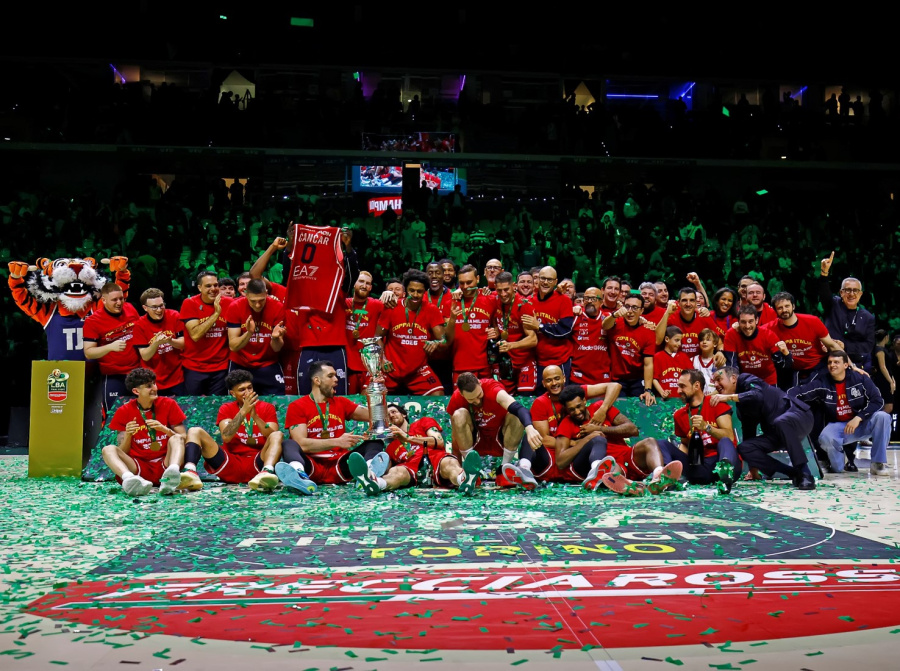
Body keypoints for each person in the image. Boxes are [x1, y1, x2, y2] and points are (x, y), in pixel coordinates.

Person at [504, 368, 621, 489]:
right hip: (549, 461)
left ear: (564, 378)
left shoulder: (574, 394)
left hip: (574, 462)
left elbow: (614, 386)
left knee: (597, 438)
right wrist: (573, 443)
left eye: (557, 378)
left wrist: (603, 409)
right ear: (543, 383)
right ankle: (524, 471)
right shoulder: (540, 403)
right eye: (549, 380)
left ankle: (596, 473)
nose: (554, 383)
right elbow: (544, 439)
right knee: (531, 434)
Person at [279, 361, 386, 490]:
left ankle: (369, 475)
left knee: (375, 442)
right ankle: (299, 476)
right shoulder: (297, 406)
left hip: (340, 465)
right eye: (330, 376)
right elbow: (301, 444)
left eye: (336, 376)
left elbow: (375, 416)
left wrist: (377, 393)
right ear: (317, 380)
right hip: (311, 465)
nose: (336, 379)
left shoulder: (341, 402)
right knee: (289, 444)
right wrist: (337, 442)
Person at [555, 385, 682, 495]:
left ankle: (658, 477)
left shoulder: (600, 408)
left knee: (649, 441)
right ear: (566, 410)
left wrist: (599, 428)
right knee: (610, 469)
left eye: (578, 406)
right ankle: (631, 486)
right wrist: (589, 437)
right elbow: (560, 461)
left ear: (584, 400)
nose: (577, 412)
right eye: (571, 410)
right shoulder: (566, 424)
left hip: (627, 456)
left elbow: (632, 429)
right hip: (609, 463)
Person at [711, 367, 816, 490]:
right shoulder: (742, 406)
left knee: (781, 422)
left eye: (719, 379)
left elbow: (757, 395)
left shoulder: (746, 379)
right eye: (714, 382)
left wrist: (729, 397)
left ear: (733, 378)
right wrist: (753, 469)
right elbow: (749, 433)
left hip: (800, 417)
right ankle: (793, 473)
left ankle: (805, 473)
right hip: (777, 432)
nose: (716, 385)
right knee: (745, 447)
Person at [790, 350, 892, 476]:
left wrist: (859, 417)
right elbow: (796, 392)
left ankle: (878, 463)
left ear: (845, 365)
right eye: (830, 362)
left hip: (862, 423)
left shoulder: (860, 378)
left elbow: (878, 401)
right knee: (826, 440)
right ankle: (838, 463)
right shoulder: (822, 383)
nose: (832, 365)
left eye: (836, 362)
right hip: (839, 427)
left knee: (883, 417)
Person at [182, 370, 283, 492]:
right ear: (233, 394)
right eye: (242, 390)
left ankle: (267, 472)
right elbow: (226, 437)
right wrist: (243, 412)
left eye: (250, 388)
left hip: (257, 462)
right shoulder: (226, 408)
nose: (248, 392)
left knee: (277, 435)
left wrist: (255, 416)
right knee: (194, 431)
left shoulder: (267, 407)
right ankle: (190, 472)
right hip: (230, 463)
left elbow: (272, 436)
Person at [354, 402, 480, 496]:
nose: (391, 416)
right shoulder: (391, 446)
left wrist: (408, 438)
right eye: (387, 416)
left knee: (449, 463)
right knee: (397, 472)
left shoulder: (423, 422)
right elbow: (386, 466)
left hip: (434, 458)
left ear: (403, 414)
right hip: (411, 469)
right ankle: (376, 484)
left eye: (393, 412)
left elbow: (439, 442)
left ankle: (463, 479)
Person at [647, 369, 740, 493]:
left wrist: (706, 427)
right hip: (700, 467)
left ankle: (725, 474)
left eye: (682, 386)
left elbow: (729, 436)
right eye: (678, 387)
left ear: (697, 386)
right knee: (662, 443)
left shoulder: (716, 404)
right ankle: (668, 478)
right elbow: (685, 444)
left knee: (724, 441)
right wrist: (679, 463)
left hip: (719, 460)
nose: (678, 391)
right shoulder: (679, 415)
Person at [102, 368, 187, 496]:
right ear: (136, 391)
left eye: (154, 383)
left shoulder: (169, 404)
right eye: (148, 386)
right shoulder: (124, 411)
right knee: (108, 449)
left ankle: (172, 474)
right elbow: (123, 451)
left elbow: (183, 439)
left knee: (177, 438)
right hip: (139, 466)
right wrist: (128, 435)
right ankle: (130, 480)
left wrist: (165, 430)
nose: (155, 388)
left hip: (165, 462)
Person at [447, 372, 543, 469]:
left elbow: (519, 409)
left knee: (516, 415)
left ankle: (505, 468)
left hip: (501, 438)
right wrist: (457, 466)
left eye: (479, 395)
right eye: (471, 399)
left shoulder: (493, 389)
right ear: (461, 394)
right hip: (474, 440)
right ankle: (471, 470)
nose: (477, 401)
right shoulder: (456, 398)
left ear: (480, 383)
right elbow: (455, 435)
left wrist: (529, 428)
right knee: (459, 415)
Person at [375, 269, 445, 395]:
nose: (415, 295)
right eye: (412, 290)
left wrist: (435, 343)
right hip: (390, 367)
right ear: (405, 290)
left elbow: (443, 339)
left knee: (438, 395)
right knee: (368, 393)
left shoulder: (431, 310)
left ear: (425, 291)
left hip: (418, 370)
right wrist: (383, 360)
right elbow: (377, 336)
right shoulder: (392, 307)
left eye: (419, 291)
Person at [83, 282, 142, 413]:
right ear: (103, 300)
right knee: (115, 416)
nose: (119, 303)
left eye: (121, 298)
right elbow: (88, 352)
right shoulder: (93, 321)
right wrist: (110, 347)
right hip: (113, 375)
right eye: (114, 300)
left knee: (143, 414)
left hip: (137, 371)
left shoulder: (130, 308)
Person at [226, 278, 287, 395]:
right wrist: (249, 333)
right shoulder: (235, 307)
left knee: (277, 405)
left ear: (266, 294)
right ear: (246, 295)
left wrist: (275, 338)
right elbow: (233, 346)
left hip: (268, 363)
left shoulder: (277, 307)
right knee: (237, 406)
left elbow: (276, 348)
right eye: (253, 301)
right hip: (241, 363)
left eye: (261, 300)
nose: (258, 305)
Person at [768, 291, 840, 389]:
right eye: (780, 308)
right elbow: (753, 331)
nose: (784, 310)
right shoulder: (770, 328)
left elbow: (833, 346)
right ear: (775, 310)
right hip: (792, 371)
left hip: (817, 366)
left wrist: (851, 365)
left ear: (793, 306)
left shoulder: (813, 321)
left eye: (787, 306)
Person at [818, 252, 876, 372]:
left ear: (860, 294)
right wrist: (824, 274)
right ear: (841, 293)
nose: (851, 294)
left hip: (853, 364)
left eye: (855, 291)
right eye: (848, 290)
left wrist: (845, 345)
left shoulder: (868, 317)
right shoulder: (833, 304)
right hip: (827, 361)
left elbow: (868, 345)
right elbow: (824, 294)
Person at [179, 271, 233, 396]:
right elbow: (196, 335)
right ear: (199, 288)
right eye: (208, 286)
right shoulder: (190, 303)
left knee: (217, 407)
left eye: (216, 285)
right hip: (194, 367)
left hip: (221, 367)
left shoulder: (229, 303)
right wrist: (216, 314)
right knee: (193, 407)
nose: (213, 289)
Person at [523, 266, 575, 390]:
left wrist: (539, 326)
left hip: (559, 360)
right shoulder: (529, 301)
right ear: (537, 279)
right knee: (541, 398)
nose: (546, 282)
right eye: (543, 278)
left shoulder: (564, 301)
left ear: (556, 282)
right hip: (538, 361)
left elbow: (565, 331)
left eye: (550, 280)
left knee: (561, 399)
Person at [445, 264, 499, 381]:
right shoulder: (450, 302)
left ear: (478, 279)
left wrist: (496, 332)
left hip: (484, 366)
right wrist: (453, 318)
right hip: (460, 366)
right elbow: (446, 338)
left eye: (469, 282)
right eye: (462, 283)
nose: (465, 287)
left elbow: (497, 327)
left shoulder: (489, 299)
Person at [488, 271, 537, 393]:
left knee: (525, 398)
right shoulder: (494, 300)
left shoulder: (524, 305)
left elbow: (533, 339)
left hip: (524, 362)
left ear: (514, 286)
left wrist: (511, 345)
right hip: (505, 362)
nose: (503, 294)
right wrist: (495, 331)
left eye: (506, 290)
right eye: (499, 290)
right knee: (505, 400)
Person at [601, 293, 656, 404]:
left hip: (637, 379)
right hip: (617, 379)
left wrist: (648, 390)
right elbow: (604, 325)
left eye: (635, 307)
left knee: (641, 407)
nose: (630, 311)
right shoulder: (616, 323)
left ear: (641, 311)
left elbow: (648, 364)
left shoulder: (648, 331)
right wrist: (614, 315)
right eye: (627, 306)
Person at [133, 288, 185, 396]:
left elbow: (184, 344)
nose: (159, 310)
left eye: (161, 305)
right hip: (152, 381)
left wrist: (170, 341)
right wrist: (156, 343)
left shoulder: (174, 316)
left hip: (177, 377)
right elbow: (145, 356)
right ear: (145, 308)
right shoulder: (139, 325)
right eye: (154, 307)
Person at [723, 305, 789, 385]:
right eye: (743, 322)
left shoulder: (768, 335)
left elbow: (782, 365)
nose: (747, 326)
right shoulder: (731, 334)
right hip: (744, 380)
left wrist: (787, 354)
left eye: (750, 321)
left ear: (756, 320)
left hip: (768, 380)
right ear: (738, 322)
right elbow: (732, 365)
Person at [344, 271, 385, 394]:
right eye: (361, 281)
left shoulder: (377, 305)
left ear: (371, 288)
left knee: (368, 402)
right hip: (347, 363)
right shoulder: (344, 303)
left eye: (368, 283)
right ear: (354, 284)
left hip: (368, 364)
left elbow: (397, 305)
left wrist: (389, 293)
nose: (364, 285)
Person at [571, 286, 612, 385]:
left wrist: (642, 320)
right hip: (578, 378)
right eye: (586, 298)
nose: (589, 301)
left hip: (602, 378)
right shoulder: (575, 315)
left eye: (593, 299)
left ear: (601, 302)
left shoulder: (608, 318)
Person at [653, 326, 693, 400]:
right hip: (664, 400)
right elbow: (654, 379)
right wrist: (662, 392)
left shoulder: (684, 357)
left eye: (680, 341)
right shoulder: (658, 357)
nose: (679, 344)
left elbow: (692, 378)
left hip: (682, 400)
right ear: (667, 339)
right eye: (677, 340)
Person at [872, 329, 895, 417]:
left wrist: (892, 379)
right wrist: (890, 381)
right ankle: (875, 422)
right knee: (888, 406)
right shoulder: (879, 350)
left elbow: (889, 367)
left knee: (889, 406)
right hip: (882, 380)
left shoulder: (884, 349)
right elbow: (883, 367)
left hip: (887, 377)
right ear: (886, 337)